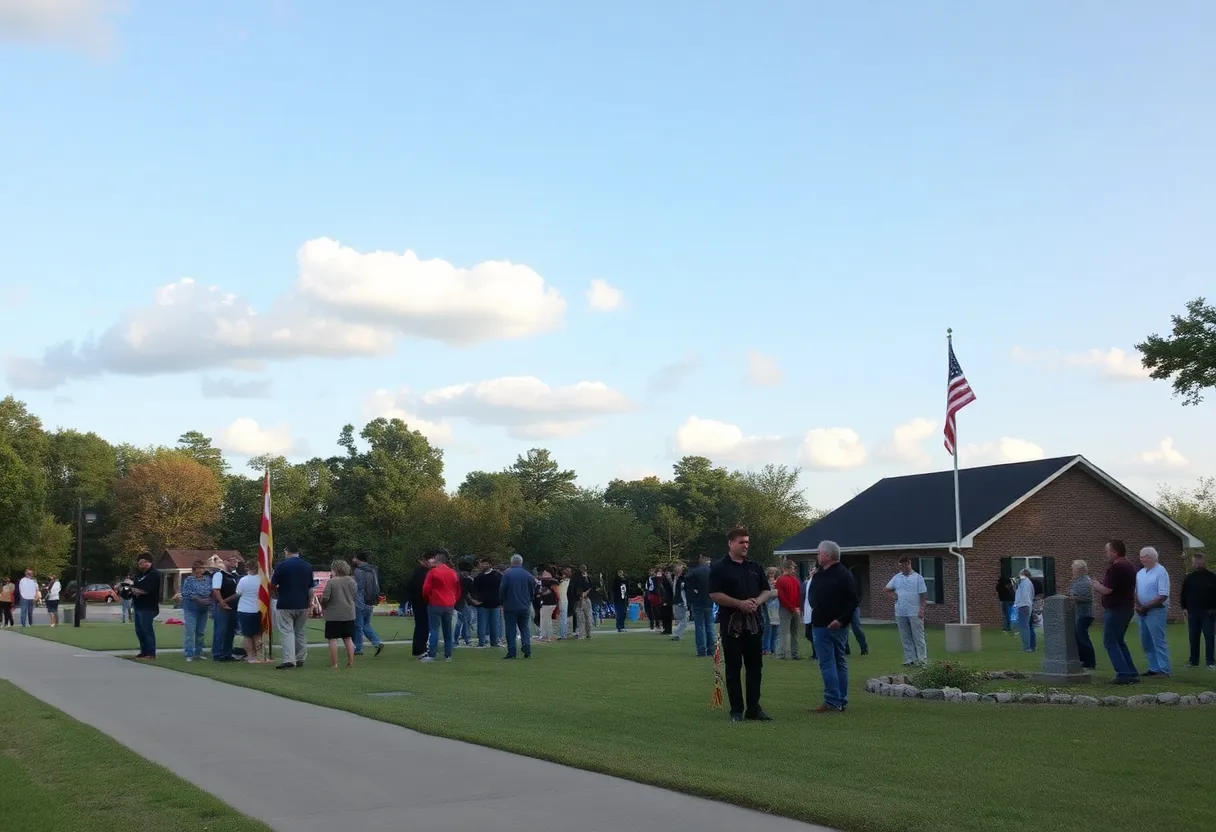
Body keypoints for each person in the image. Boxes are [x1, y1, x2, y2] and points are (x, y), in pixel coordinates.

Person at [708, 525, 773, 722]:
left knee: (755, 668)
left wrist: (756, 602)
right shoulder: (720, 567)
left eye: (747, 542)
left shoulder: (754, 567)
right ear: (731, 544)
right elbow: (714, 594)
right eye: (741, 542)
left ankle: (754, 708)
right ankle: (736, 710)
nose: (745, 546)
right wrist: (739, 604)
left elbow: (767, 590)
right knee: (733, 668)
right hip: (731, 625)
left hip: (753, 624)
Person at [809, 541, 859, 713]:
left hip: (828, 625)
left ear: (828, 555)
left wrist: (841, 620)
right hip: (828, 623)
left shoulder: (841, 575)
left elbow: (852, 600)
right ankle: (840, 699)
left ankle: (833, 700)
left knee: (829, 663)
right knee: (839, 662)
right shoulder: (823, 574)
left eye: (819, 553)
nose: (817, 556)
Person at [1091, 539, 1140, 685]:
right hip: (1126, 607)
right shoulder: (1129, 566)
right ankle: (1131, 672)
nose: (1106, 554)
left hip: (1116, 609)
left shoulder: (1117, 567)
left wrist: (1095, 585)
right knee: (1119, 640)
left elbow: (1107, 590)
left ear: (1115, 552)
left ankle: (1123, 674)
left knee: (1110, 641)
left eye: (1107, 551)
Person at [270, 541, 314, 670]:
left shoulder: (282, 566)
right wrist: (310, 603)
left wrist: (275, 593)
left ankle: (289, 659)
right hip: (302, 604)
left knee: (287, 632)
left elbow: (273, 584)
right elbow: (310, 588)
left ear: (287, 551)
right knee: (300, 632)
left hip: (285, 603)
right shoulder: (307, 566)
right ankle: (301, 657)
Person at [1134, 546, 1171, 677]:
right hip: (1142, 611)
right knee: (1146, 641)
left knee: (1158, 640)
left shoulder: (1161, 571)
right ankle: (1153, 667)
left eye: (1145, 556)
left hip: (1156, 610)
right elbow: (1136, 591)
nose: (1142, 559)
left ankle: (1164, 669)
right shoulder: (1140, 573)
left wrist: (1146, 606)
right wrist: (1138, 606)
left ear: (1153, 557)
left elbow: (1163, 595)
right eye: (1141, 556)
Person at [885, 556, 928, 667]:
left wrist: (922, 609)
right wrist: (893, 595)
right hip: (900, 611)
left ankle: (922, 660)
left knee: (918, 636)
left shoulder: (918, 578)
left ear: (909, 564)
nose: (902, 568)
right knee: (905, 636)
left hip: (914, 611)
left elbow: (923, 595)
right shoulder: (897, 577)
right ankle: (910, 659)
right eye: (900, 566)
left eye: (904, 565)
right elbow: (886, 589)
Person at [421, 549, 460, 662]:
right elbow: (457, 590)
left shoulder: (433, 572)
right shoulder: (453, 573)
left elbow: (426, 589)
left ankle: (432, 654)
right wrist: (453, 600)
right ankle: (448, 655)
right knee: (448, 630)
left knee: (434, 629)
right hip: (449, 604)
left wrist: (428, 598)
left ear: (437, 560)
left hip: (436, 603)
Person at [1180, 551, 1216, 669]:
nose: (1197, 564)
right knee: (1193, 637)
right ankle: (1193, 661)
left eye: (1199, 562)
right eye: (1195, 562)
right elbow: (1183, 594)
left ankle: (1210, 662)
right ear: (1193, 563)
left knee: (1209, 637)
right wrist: (1184, 607)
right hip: (1193, 612)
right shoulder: (1189, 578)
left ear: (1204, 562)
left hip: (1208, 612)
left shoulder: (1212, 577)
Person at [321, 559, 358, 669]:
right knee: (348, 638)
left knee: (332, 639)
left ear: (336, 569)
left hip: (333, 615)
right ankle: (351, 662)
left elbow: (326, 598)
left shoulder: (331, 582)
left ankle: (334, 664)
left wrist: (323, 605)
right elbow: (355, 596)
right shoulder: (352, 581)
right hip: (349, 614)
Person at [230, 560, 269, 663]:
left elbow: (238, 593)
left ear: (248, 568)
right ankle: (259, 655)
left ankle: (250, 656)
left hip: (244, 609)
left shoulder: (243, 580)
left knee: (247, 635)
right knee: (257, 634)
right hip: (258, 609)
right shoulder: (262, 580)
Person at [499, 554, 535, 659]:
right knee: (524, 627)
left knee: (511, 629)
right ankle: (526, 645)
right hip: (524, 605)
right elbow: (532, 590)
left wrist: (502, 602)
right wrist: (529, 600)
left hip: (510, 606)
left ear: (512, 562)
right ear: (521, 562)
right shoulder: (527, 575)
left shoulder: (507, 575)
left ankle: (512, 651)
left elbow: (502, 590)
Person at [351, 551, 384, 657]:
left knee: (358, 627)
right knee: (366, 625)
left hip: (361, 602)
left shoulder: (358, 571)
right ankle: (377, 642)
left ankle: (358, 648)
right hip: (371, 601)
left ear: (358, 559)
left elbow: (358, 588)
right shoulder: (373, 570)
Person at [179, 560, 213, 662]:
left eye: (202, 568)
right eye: (199, 568)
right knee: (190, 631)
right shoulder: (189, 580)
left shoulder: (207, 579)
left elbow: (210, 591)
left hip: (203, 609)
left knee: (201, 632)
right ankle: (189, 653)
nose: (201, 570)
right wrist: (200, 599)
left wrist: (208, 600)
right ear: (195, 569)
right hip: (191, 609)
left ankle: (199, 652)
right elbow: (187, 593)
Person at [130, 555, 161, 659]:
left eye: (141, 563)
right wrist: (133, 589)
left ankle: (151, 653)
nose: (139, 565)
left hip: (148, 606)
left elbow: (145, 590)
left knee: (147, 629)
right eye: (138, 563)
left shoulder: (154, 574)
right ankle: (143, 651)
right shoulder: (139, 574)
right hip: (138, 605)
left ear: (148, 562)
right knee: (139, 630)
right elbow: (135, 586)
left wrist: (134, 589)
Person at [210, 556, 240, 663]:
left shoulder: (235, 576)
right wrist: (222, 602)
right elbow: (216, 590)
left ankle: (227, 653)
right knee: (220, 631)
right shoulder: (219, 574)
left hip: (234, 607)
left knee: (230, 631)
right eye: (232, 562)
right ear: (225, 562)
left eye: (236, 562)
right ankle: (217, 653)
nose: (234, 564)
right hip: (222, 607)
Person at [1067, 560, 1096, 670]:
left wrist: (1073, 598)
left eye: (1074, 569)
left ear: (1080, 570)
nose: (1073, 571)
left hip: (1084, 613)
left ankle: (1090, 662)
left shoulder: (1085, 581)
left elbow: (1087, 597)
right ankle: (1083, 660)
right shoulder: (1077, 581)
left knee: (1082, 637)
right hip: (1078, 613)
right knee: (1079, 637)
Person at [406, 553, 435, 658]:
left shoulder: (417, 572)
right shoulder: (423, 573)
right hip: (422, 602)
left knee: (421, 626)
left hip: (417, 602)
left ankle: (418, 648)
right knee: (423, 626)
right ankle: (420, 649)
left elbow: (409, 587)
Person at [687, 555, 715, 656]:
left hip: (697, 601)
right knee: (710, 626)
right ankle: (711, 650)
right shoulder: (713, 571)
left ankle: (701, 650)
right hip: (709, 600)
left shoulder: (694, 572)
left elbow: (687, 584)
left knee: (699, 626)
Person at [472, 558, 502, 648]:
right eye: (482, 564)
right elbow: (475, 590)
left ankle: (493, 642)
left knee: (493, 625)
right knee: (483, 624)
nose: (483, 565)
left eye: (485, 563)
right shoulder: (479, 577)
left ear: (490, 564)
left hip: (493, 603)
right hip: (483, 603)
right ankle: (482, 642)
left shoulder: (497, 576)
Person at [774, 560, 802, 660]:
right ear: (786, 568)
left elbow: (782, 597)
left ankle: (783, 654)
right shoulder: (792, 580)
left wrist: (794, 608)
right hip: (791, 609)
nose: (794, 569)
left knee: (785, 633)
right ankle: (794, 653)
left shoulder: (783, 580)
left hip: (787, 609)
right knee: (792, 633)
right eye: (793, 567)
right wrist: (797, 608)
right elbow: (782, 596)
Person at [1014, 568, 1037, 652]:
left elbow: (1024, 595)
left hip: (1024, 606)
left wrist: (1019, 605)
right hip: (1028, 606)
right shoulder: (1028, 583)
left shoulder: (1024, 582)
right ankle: (1032, 646)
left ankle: (1026, 647)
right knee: (1029, 627)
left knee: (1024, 627)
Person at [454, 560, 475, 647]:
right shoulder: (466, 580)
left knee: (462, 621)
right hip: (459, 601)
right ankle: (465, 638)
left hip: (459, 601)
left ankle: (460, 638)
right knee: (462, 621)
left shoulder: (457, 578)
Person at [670, 563, 688, 641]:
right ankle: (676, 634)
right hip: (681, 601)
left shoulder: (676, 578)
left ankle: (676, 633)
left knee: (681, 620)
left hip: (677, 601)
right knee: (683, 620)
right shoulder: (681, 579)